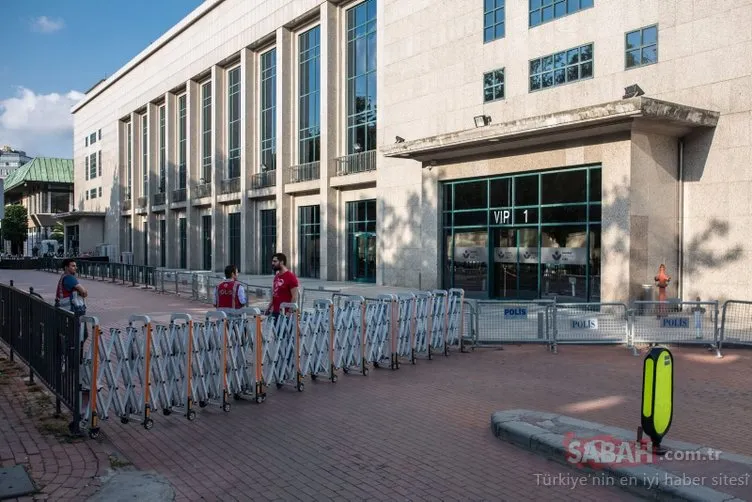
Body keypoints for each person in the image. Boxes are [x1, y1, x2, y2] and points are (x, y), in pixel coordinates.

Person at [266, 253, 299, 320]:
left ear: (281, 262)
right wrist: (269, 307)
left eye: (275, 261)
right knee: (275, 330)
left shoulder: (291, 277)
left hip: (285, 314)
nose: (272, 263)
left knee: (284, 330)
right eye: (272, 261)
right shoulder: (277, 276)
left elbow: (294, 297)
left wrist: (289, 311)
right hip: (275, 312)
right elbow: (275, 293)